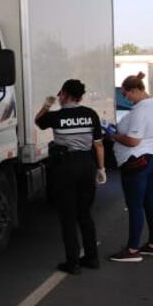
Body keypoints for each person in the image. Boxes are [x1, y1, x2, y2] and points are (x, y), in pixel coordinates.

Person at [35, 79, 107, 274]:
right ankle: (92, 258)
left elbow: (38, 121)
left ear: (65, 94)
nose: (58, 97)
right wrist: (101, 169)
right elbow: (98, 145)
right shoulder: (91, 115)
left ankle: (73, 262)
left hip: (65, 167)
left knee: (68, 217)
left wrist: (46, 105)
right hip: (87, 165)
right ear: (81, 97)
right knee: (85, 214)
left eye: (60, 94)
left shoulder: (57, 116)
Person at [109, 71, 153, 262]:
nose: (125, 98)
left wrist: (113, 135)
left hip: (137, 160)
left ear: (135, 90)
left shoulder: (141, 110)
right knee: (150, 203)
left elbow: (133, 141)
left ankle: (132, 250)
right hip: (152, 157)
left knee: (135, 206)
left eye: (126, 94)